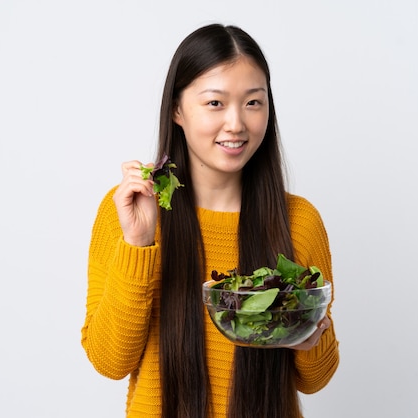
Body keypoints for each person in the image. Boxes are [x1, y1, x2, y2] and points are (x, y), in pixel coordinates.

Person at [81, 23, 340, 418]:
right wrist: (139, 243)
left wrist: (307, 334)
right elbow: (109, 360)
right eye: (215, 103)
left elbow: (316, 378)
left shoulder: (299, 220)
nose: (236, 123)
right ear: (177, 110)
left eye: (253, 102)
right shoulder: (130, 210)